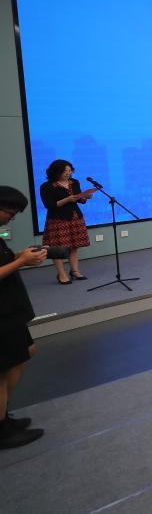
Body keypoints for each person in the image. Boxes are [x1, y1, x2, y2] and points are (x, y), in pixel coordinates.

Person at [0, 186, 48, 450]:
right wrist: (20, 262)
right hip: (2, 315)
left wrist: (20, 256)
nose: (12, 217)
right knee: (3, 369)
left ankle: (3, 415)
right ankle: (2, 430)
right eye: (10, 212)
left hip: (10, 310)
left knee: (25, 352)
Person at [39, 159, 95, 285]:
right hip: (57, 219)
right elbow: (49, 205)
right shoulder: (47, 186)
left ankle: (75, 271)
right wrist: (67, 199)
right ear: (56, 171)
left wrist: (84, 197)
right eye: (65, 171)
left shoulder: (74, 182)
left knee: (74, 245)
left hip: (75, 217)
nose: (68, 173)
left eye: (70, 171)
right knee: (57, 248)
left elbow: (79, 200)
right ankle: (62, 274)